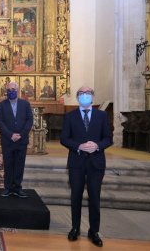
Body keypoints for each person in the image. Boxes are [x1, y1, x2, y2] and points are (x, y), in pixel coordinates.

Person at [60, 86, 112, 247]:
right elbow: (64, 138)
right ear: (77, 97)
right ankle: (75, 228)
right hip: (77, 161)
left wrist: (97, 145)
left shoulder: (102, 115)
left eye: (87, 93)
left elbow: (108, 138)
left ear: (92, 97)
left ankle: (94, 231)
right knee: (76, 196)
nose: (84, 96)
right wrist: (79, 146)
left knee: (94, 197)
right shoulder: (70, 116)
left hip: (96, 162)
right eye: (81, 94)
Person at [0, 82, 33, 198]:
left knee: (19, 164)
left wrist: (21, 134)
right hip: (8, 140)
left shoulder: (25, 104)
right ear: (6, 91)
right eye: (9, 89)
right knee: (8, 165)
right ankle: (7, 188)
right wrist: (10, 135)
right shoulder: (1, 105)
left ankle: (17, 187)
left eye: (13, 89)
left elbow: (29, 120)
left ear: (17, 90)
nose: (11, 91)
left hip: (21, 141)